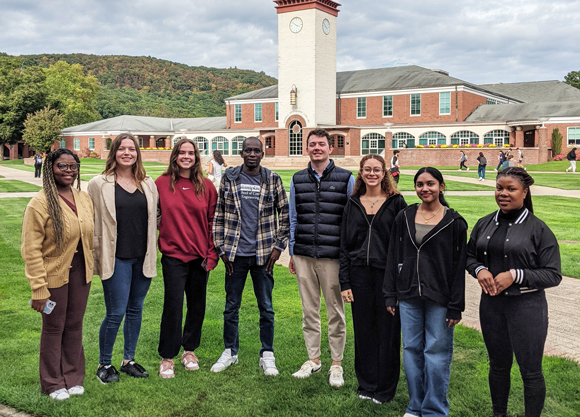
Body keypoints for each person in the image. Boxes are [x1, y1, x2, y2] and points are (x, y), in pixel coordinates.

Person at [466, 167, 561, 417]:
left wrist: (515, 275)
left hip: (526, 308)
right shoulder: (484, 223)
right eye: (499, 188)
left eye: (511, 189)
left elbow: (553, 274)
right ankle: (499, 414)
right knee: (498, 366)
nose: (503, 193)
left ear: (524, 191)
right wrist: (479, 270)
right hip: (492, 308)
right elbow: (468, 255)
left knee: (530, 371)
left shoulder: (538, 229)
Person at [384, 167, 468, 417]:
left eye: (430, 184)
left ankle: (434, 409)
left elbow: (458, 267)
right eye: (420, 184)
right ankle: (415, 404)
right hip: (408, 294)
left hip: (440, 298)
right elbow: (393, 256)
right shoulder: (405, 216)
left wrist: (456, 305)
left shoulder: (455, 222)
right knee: (411, 350)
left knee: (436, 353)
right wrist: (390, 293)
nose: (425, 189)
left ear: (441, 187)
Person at [211, 136, 289, 376]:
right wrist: (221, 249)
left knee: (266, 307)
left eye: (257, 150)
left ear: (262, 154)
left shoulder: (272, 179)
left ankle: (267, 353)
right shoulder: (230, 177)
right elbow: (219, 215)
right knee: (231, 306)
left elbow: (284, 214)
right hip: (235, 255)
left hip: (263, 256)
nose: (252, 154)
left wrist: (278, 248)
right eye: (248, 150)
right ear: (242, 153)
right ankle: (230, 351)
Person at [21, 149, 94, 400]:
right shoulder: (39, 203)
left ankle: (72, 377)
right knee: (54, 328)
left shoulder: (83, 198)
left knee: (74, 325)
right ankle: (53, 383)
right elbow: (31, 250)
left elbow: (88, 237)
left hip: (81, 273)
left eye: (73, 167)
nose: (69, 171)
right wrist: (38, 289)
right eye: (63, 166)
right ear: (50, 168)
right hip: (53, 276)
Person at [87, 133, 159, 384]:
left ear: (137, 153)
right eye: (122, 149)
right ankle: (104, 364)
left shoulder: (148, 183)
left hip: (143, 257)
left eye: (132, 149)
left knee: (135, 310)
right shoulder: (99, 183)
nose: (127, 153)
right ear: (114, 152)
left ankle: (128, 360)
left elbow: (155, 218)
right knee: (116, 311)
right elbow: (90, 221)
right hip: (116, 257)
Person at [288, 128, 355, 387]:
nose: (317, 148)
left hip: (333, 256)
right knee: (309, 310)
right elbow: (294, 217)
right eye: (312, 144)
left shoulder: (346, 178)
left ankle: (336, 364)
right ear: (307, 148)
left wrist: (346, 255)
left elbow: (350, 221)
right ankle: (313, 359)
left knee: (335, 311)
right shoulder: (297, 179)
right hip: (304, 253)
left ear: (330, 148)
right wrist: (293, 251)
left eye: (322, 144)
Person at [339, 154, 406, 404]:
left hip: (387, 276)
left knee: (388, 333)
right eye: (367, 169)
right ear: (361, 172)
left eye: (377, 170)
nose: (372, 174)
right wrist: (344, 283)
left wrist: (399, 279)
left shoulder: (397, 203)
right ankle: (366, 384)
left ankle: (385, 389)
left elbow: (403, 244)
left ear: (384, 173)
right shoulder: (353, 203)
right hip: (358, 276)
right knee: (364, 331)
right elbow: (344, 246)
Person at [156, 138, 218, 378]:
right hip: (173, 255)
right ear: (175, 156)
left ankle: (189, 351)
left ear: (196, 157)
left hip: (199, 257)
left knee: (196, 305)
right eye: (182, 152)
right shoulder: (161, 184)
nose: (186, 157)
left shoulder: (207, 186)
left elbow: (213, 222)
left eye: (190, 153)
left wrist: (211, 254)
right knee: (173, 305)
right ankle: (167, 356)